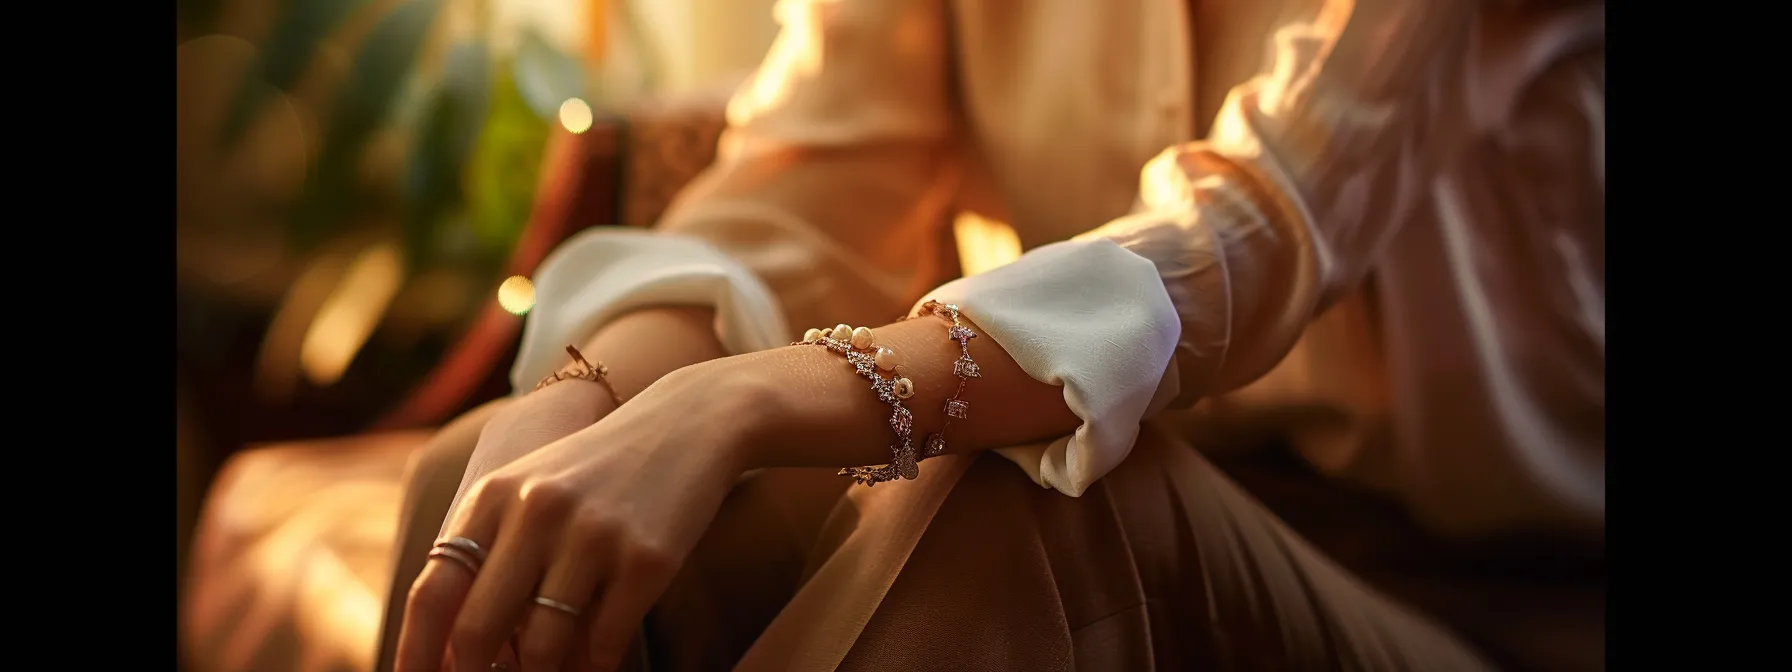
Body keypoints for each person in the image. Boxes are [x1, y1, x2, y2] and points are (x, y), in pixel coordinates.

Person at [381, 0, 1605, 670]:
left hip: (1495, 601)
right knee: (483, 482)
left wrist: (729, 403)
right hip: (1175, 481)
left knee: (1026, 513)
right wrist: (591, 397)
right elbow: (804, 190)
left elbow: (1247, 235)